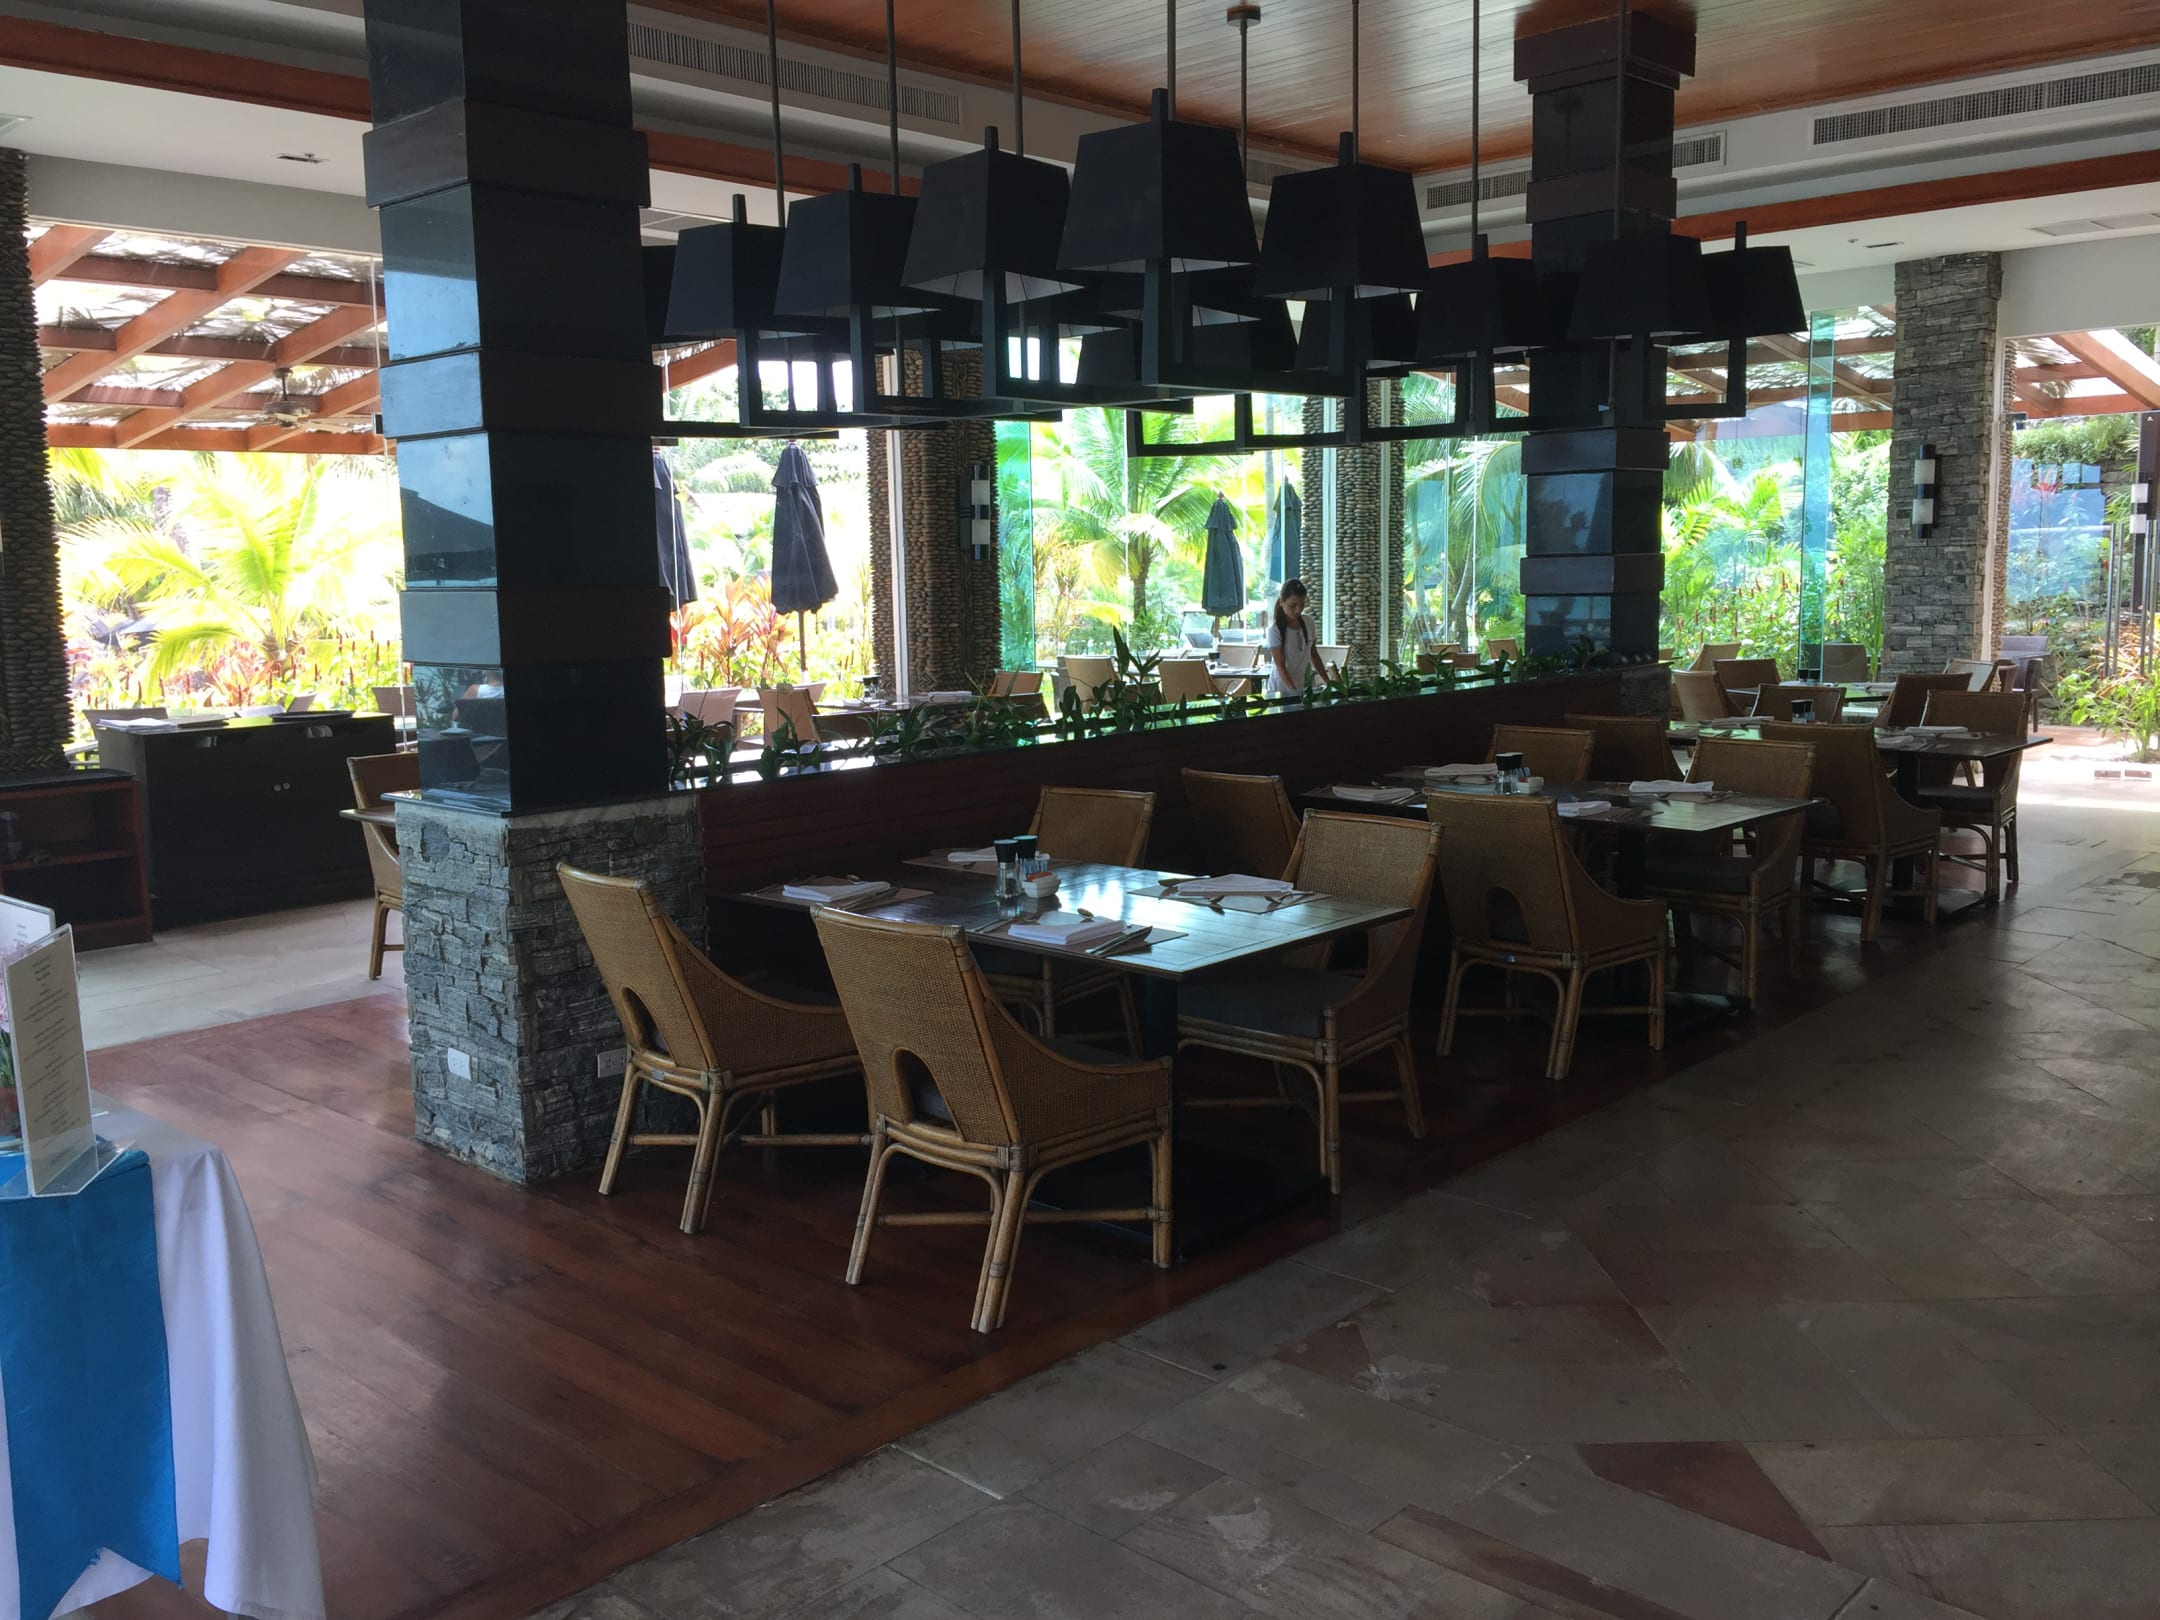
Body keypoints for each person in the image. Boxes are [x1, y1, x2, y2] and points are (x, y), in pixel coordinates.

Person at [1265, 578, 1331, 697]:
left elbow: (1314, 655)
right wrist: (1295, 693)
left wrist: (1328, 682)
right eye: (1293, 605)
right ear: (1281, 602)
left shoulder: (1308, 622)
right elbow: (1281, 667)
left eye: (1301, 605)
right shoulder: (1275, 630)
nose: (1298, 610)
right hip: (1281, 689)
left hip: (1305, 685)